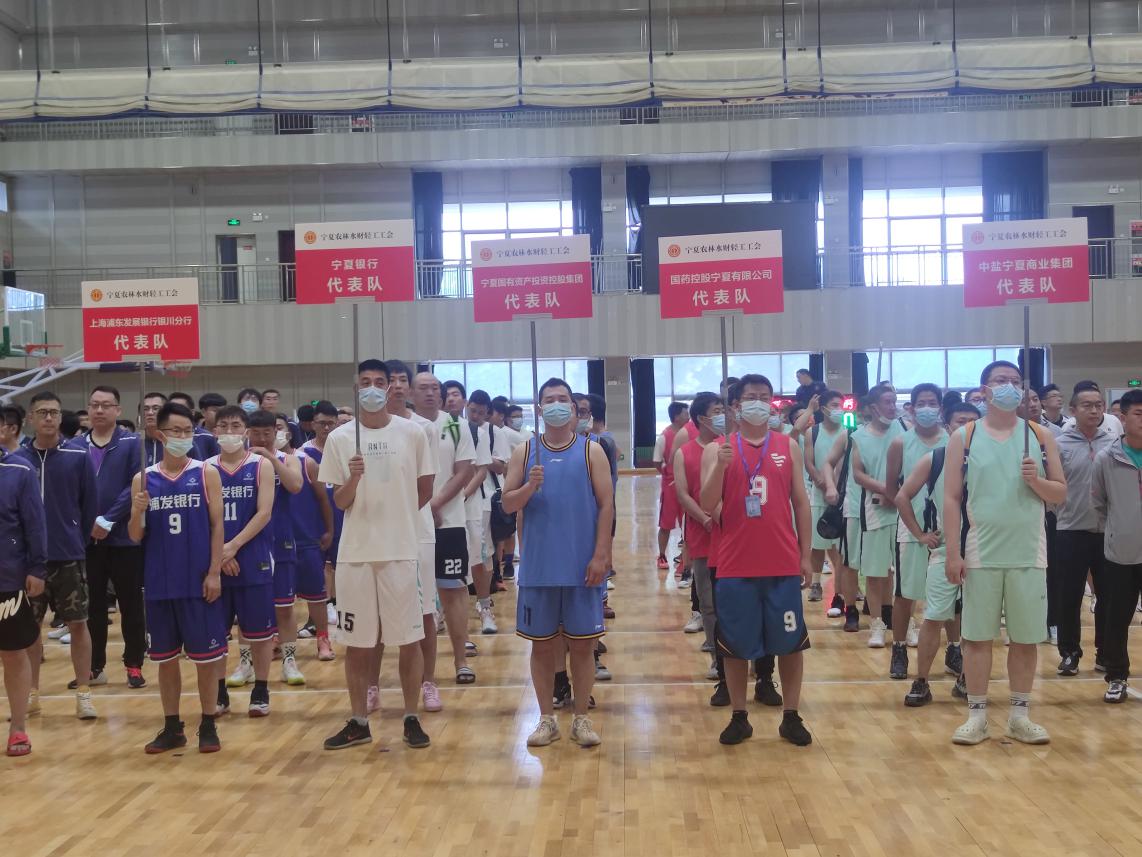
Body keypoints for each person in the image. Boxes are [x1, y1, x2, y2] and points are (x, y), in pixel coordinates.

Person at [943, 360, 1066, 745]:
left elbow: (1060, 493)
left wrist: (1037, 481)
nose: (1009, 386)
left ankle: (1019, 716)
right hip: (981, 550)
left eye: (1015, 381)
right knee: (977, 638)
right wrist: (952, 552)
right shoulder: (964, 436)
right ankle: (977, 716)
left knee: (1025, 638)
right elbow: (951, 498)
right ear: (984, 390)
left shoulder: (1040, 435)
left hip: (1029, 550)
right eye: (1000, 380)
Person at [320, 360, 435, 752]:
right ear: (357, 389)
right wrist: (353, 477)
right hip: (355, 556)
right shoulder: (340, 439)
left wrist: (397, 517)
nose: (372, 387)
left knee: (408, 640)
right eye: (365, 382)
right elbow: (340, 502)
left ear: (390, 388)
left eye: (379, 382)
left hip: (401, 552)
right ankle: (358, 722)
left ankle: (411, 717)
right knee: (358, 643)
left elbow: (425, 489)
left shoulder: (413, 433)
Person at [699, 373, 814, 747]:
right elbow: (706, 504)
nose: (759, 403)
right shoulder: (718, 449)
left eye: (765, 396)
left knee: (791, 643)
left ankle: (791, 716)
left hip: (782, 562)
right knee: (735, 646)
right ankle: (739, 716)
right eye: (751, 397)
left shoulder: (787, 445)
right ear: (735, 405)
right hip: (735, 564)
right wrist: (720, 467)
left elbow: (801, 503)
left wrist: (806, 555)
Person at [501, 377, 614, 748]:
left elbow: (606, 506)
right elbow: (508, 504)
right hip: (539, 568)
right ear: (539, 408)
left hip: (582, 568)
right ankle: (546, 719)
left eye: (562, 399)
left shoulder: (591, 451)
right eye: (549, 400)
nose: (556, 405)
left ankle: (581, 718)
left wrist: (601, 555)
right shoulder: (525, 453)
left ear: (574, 407)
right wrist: (529, 486)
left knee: (583, 646)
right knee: (542, 647)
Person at [128, 402, 227, 754]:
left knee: (205, 660)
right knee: (165, 660)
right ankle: (172, 727)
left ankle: (208, 723)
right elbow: (135, 535)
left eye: (188, 431)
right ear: (160, 434)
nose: (183, 436)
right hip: (160, 582)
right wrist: (136, 512)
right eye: (176, 431)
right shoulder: (143, 478)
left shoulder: (205, 473)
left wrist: (214, 572)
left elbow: (218, 526)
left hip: (198, 581)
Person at [14, 392, 99, 721]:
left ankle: (84, 693)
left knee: (78, 624)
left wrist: (75, 537)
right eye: (42, 412)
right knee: (29, 629)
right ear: (30, 418)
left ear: (60, 417)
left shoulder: (78, 456)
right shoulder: (18, 460)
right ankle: (31, 693)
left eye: (54, 412)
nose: (49, 418)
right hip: (27, 562)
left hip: (68, 556)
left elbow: (89, 506)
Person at [895, 402, 980, 707]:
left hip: (983, 550)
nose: (967, 427)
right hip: (945, 551)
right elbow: (902, 496)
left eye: (973, 422)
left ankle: (967, 678)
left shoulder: (990, 459)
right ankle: (921, 681)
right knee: (933, 616)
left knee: (976, 621)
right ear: (948, 426)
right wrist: (920, 534)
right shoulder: (936, 459)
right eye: (960, 421)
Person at [207, 406, 277, 718]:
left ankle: (261, 688)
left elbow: (264, 513)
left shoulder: (261, 465)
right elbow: (204, 519)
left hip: (252, 555)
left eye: (235, 425)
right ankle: (219, 691)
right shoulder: (205, 468)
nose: (229, 431)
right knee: (216, 632)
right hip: (216, 561)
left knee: (259, 632)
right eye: (223, 425)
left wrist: (232, 546)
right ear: (214, 431)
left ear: (245, 431)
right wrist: (220, 555)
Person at [79, 385, 147, 689]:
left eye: (106, 405)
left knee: (130, 604)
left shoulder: (132, 443)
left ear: (118, 410)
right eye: (94, 404)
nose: (99, 410)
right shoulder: (76, 446)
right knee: (92, 606)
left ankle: (134, 664)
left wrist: (109, 518)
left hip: (125, 538)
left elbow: (136, 485)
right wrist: (88, 522)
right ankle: (95, 666)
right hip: (88, 541)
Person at [883, 383, 948, 679]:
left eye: (932, 402)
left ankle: (955, 650)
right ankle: (898, 649)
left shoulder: (953, 440)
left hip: (947, 530)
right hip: (911, 529)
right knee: (905, 593)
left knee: (953, 596)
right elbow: (892, 488)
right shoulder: (900, 443)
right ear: (910, 408)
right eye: (921, 403)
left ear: (940, 407)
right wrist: (915, 526)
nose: (927, 408)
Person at [420, 374, 477, 698]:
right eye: (423, 388)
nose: (430, 393)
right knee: (419, 599)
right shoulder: (405, 426)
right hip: (413, 526)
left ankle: (460, 661)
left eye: (435, 389)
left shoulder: (456, 425)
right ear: (411, 392)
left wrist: (435, 504)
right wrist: (421, 509)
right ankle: (424, 674)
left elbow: (464, 470)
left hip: (450, 522)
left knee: (453, 591)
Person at [1053, 384, 1115, 676]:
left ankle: (1106, 652)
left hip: (1108, 532)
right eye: (1087, 405)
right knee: (1069, 596)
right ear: (1072, 410)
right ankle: (1069, 653)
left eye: (1098, 405)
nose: (1094, 410)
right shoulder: (1059, 444)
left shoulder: (1114, 443)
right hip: (1070, 530)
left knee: (1109, 596)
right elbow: (1051, 486)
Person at [844, 383, 905, 647]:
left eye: (894, 401)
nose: (892, 407)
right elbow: (859, 474)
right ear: (873, 407)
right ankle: (876, 624)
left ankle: (905, 622)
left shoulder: (903, 429)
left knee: (902, 570)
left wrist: (899, 492)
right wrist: (887, 490)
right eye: (887, 402)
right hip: (874, 509)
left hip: (904, 508)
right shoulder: (858, 436)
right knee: (875, 569)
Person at [1091, 389, 1142, 703]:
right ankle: (1117, 677)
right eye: (1139, 413)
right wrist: (1117, 531)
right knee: (1117, 618)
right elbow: (1098, 504)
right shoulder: (1106, 458)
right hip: (1120, 553)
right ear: (1122, 417)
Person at [0, 450, 47, 757]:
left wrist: (37, 567)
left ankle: (18, 727)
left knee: (13, 653)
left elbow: (35, 522)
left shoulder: (20, 470)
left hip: (7, 578)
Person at [673, 392, 723, 676]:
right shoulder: (685, 452)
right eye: (717, 411)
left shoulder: (728, 446)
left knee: (735, 600)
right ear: (702, 418)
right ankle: (717, 657)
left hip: (730, 534)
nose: (723, 415)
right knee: (708, 601)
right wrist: (705, 518)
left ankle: (746, 656)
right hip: (702, 534)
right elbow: (683, 494)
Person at [259, 412, 306, 684]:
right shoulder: (243, 461)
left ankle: (289, 661)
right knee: (250, 609)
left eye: (272, 430)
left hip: (282, 539)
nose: (265, 436)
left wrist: (272, 459)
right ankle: (246, 662)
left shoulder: (289, 459)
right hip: (252, 542)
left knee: (285, 607)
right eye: (259, 431)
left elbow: (296, 485)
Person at [464, 389, 510, 634]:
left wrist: (480, 454)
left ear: (488, 413)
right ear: (466, 406)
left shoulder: (493, 432)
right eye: (473, 411)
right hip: (455, 499)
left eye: (481, 413)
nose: (476, 416)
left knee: (483, 553)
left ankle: (485, 604)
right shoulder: (455, 428)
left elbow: (501, 466)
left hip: (485, 498)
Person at [301, 401, 345, 632]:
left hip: (343, 515)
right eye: (321, 423)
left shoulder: (344, 449)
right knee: (317, 571)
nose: (326, 428)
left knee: (342, 567)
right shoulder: (303, 453)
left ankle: (343, 609)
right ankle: (314, 621)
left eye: (331, 423)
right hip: (315, 519)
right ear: (313, 424)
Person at [804, 390, 846, 612]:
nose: (838, 409)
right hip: (820, 493)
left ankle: (843, 586)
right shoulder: (813, 432)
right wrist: (822, 482)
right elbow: (809, 462)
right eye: (834, 405)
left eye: (841, 405)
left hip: (843, 496)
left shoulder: (849, 432)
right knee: (818, 544)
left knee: (840, 546)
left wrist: (838, 487)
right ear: (823, 408)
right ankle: (816, 583)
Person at [654, 402, 689, 576]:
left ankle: (685, 559)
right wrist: (668, 473)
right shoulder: (664, 436)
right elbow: (656, 461)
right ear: (676, 417)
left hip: (687, 485)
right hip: (670, 487)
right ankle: (662, 555)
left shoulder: (690, 433)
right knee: (666, 524)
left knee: (688, 524)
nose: (688, 416)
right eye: (685, 413)